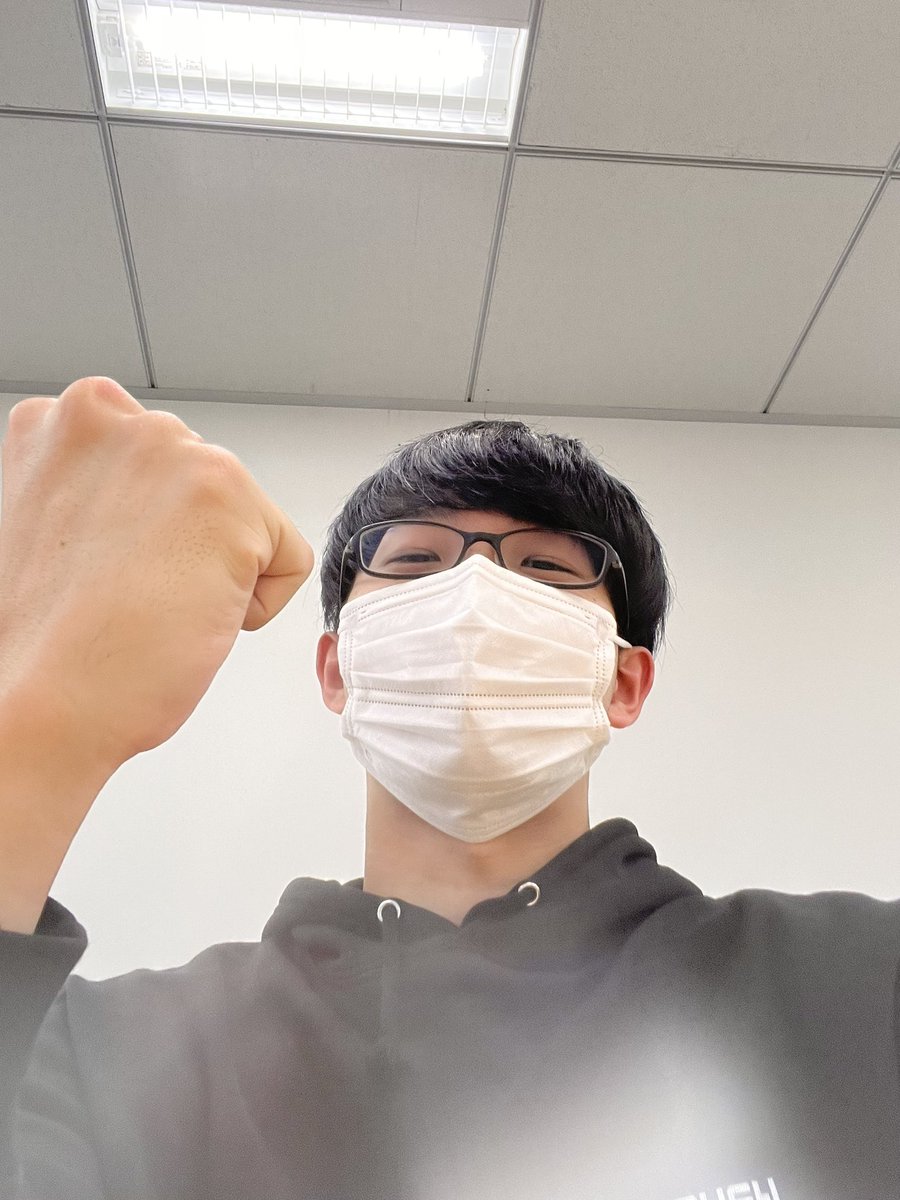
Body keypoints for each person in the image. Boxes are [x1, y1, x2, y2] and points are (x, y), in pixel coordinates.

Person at [0, 376, 898, 1200]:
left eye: (545, 567)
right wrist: (41, 721)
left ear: (623, 683)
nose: (473, 595)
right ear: (339, 669)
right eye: (414, 565)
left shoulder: (851, 983)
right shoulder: (108, 1058)